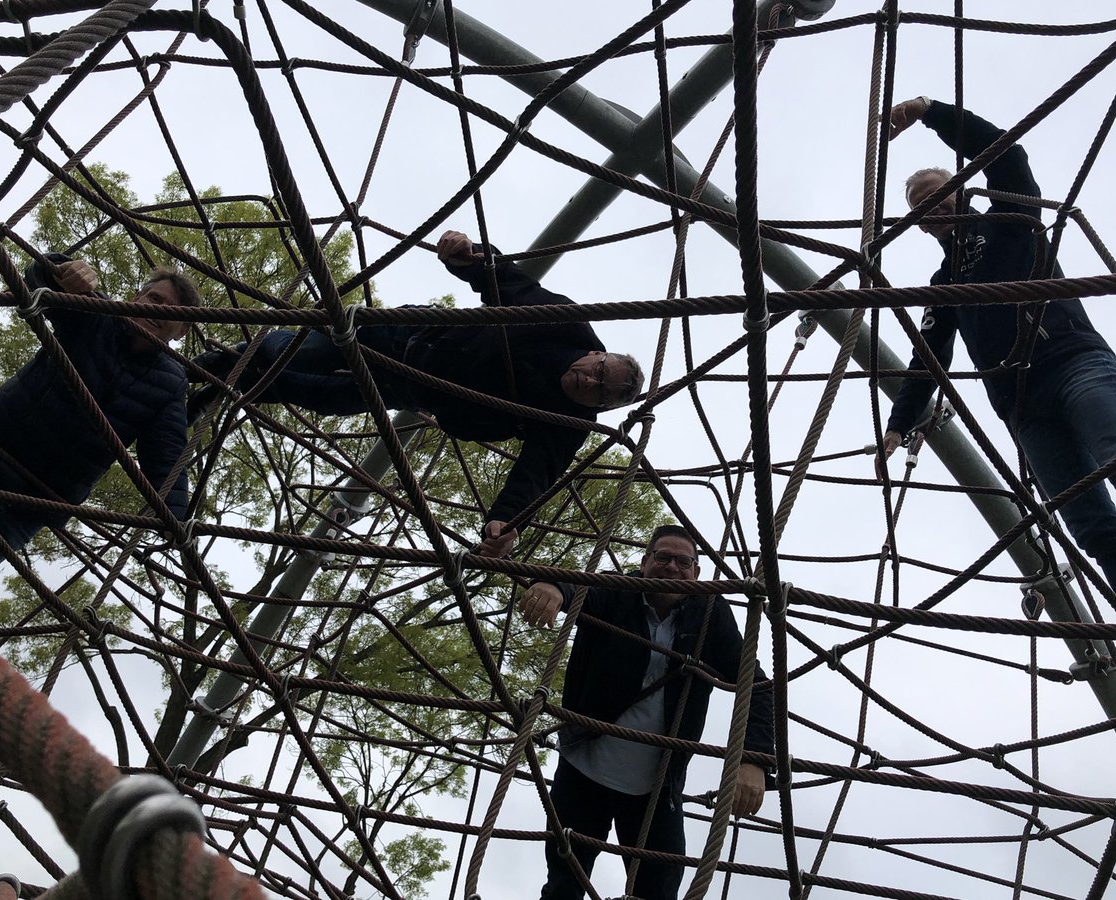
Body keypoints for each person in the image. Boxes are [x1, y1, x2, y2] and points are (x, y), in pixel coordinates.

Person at [191, 231, 644, 558]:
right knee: (299, 351)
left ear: (602, 409)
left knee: (321, 396)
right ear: (595, 353)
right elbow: (512, 284)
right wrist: (468, 256)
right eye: (599, 371)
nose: (590, 382)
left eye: (600, 393)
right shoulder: (565, 323)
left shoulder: (568, 425)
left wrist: (506, 520)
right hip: (409, 336)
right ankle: (215, 363)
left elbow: (536, 473)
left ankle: (222, 386)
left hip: (411, 387)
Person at [876, 96, 1116, 619]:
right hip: (1023, 408)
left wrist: (931, 111)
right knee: (1093, 529)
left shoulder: (1010, 222)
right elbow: (928, 358)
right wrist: (900, 423)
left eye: (940, 194)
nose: (934, 206)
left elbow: (1006, 155)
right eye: (922, 206)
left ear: (961, 191)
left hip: (1072, 363)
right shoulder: (944, 286)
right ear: (920, 225)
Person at [519, 524, 774, 900]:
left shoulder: (709, 613)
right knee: (563, 886)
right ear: (644, 562)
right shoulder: (618, 590)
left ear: (696, 572)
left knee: (659, 891)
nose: (672, 567)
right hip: (583, 768)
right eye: (663, 557)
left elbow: (757, 684)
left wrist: (753, 759)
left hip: (655, 787)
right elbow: (579, 586)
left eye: (683, 562)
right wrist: (552, 586)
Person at [0, 255, 199, 601]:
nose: (158, 309)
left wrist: (175, 520)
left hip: (33, 504)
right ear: (136, 298)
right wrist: (63, 271)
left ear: (181, 331)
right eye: (154, 298)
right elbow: (39, 281)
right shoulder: (98, 316)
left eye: (172, 310)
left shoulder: (171, 383)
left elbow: (166, 457)